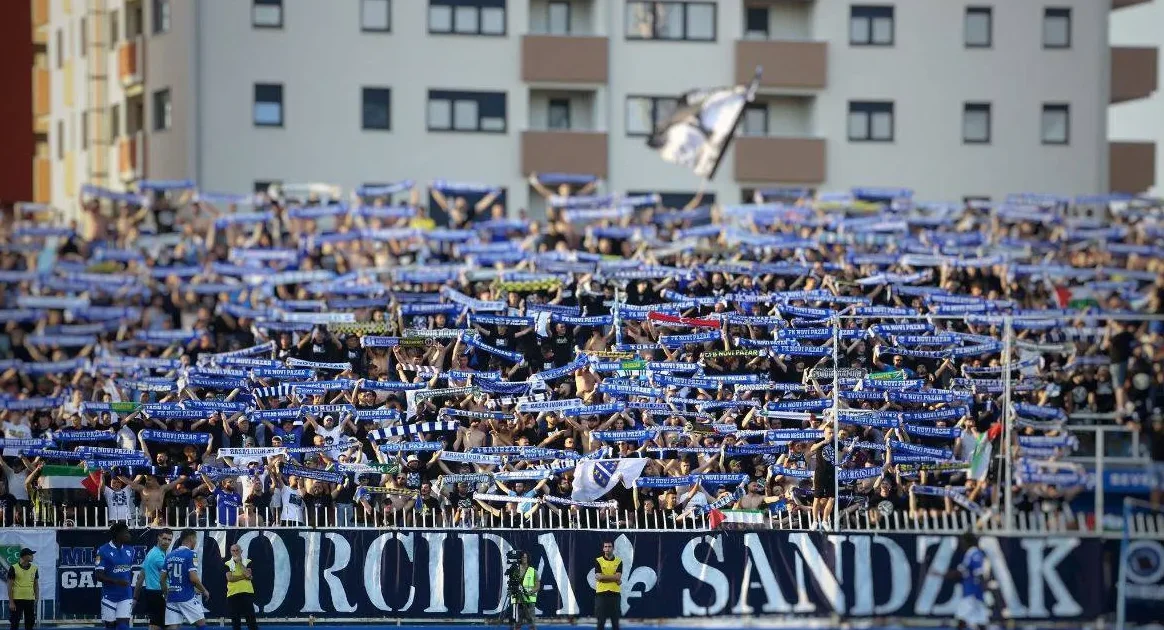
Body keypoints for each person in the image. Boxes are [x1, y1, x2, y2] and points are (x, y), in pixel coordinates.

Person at [932, 532, 992, 630]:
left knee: (961, 619)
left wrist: (940, 574)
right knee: (980, 622)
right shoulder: (973, 553)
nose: (961, 544)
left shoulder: (973, 554)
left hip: (971, 594)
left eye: (962, 541)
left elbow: (978, 573)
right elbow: (962, 572)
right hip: (976, 594)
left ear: (967, 542)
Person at [163, 530, 210, 630]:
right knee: (201, 624)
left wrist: (166, 593)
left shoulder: (169, 556)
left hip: (172, 597)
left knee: (173, 627)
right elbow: (193, 578)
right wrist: (204, 590)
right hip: (186, 597)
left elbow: (162, 579)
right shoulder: (192, 554)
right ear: (191, 538)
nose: (195, 542)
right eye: (195, 539)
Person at [95, 522, 135, 630]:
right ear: (118, 534)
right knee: (110, 626)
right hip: (109, 596)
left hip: (126, 595)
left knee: (123, 626)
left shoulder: (130, 550)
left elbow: (127, 571)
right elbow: (98, 575)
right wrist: (117, 581)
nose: (129, 535)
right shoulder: (102, 550)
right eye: (126, 532)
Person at [135, 528, 173, 630]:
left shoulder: (152, 552)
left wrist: (135, 597)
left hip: (153, 593)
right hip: (158, 593)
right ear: (158, 538)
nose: (166, 542)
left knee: (157, 623)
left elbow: (141, 576)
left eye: (169, 540)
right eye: (164, 538)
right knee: (168, 625)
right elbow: (172, 574)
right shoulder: (157, 556)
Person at [224, 544, 258, 630]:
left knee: (251, 621)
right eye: (233, 551)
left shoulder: (248, 562)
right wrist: (244, 577)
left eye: (237, 550)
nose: (235, 552)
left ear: (241, 551)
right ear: (230, 552)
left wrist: (239, 562)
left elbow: (248, 575)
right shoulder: (227, 564)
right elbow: (230, 578)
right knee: (236, 622)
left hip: (246, 593)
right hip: (233, 594)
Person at [6, 548, 37, 630]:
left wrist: (36, 598)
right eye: (30, 554)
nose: (32, 556)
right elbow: (9, 586)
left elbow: (36, 584)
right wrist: (11, 602)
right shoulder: (14, 568)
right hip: (17, 599)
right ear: (25, 556)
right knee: (14, 623)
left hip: (30, 599)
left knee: (30, 623)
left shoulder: (34, 568)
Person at [593, 541, 622, 630]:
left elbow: (618, 577)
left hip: (615, 594)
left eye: (609, 546)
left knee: (615, 622)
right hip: (601, 594)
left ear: (613, 548)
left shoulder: (619, 561)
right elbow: (599, 577)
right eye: (605, 546)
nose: (607, 548)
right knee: (601, 622)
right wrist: (615, 579)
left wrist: (603, 577)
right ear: (603, 549)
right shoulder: (598, 560)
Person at [509, 551, 538, 630]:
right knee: (517, 622)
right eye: (522, 557)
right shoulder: (516, 571)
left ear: (528, 558)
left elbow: (537, 586)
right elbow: (512, 583)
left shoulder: (533, 571)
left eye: (525, 557)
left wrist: (530, 592)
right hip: (518, 600)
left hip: (529, 600)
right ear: (520, 558)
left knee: (531, 622)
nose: (524, 559)